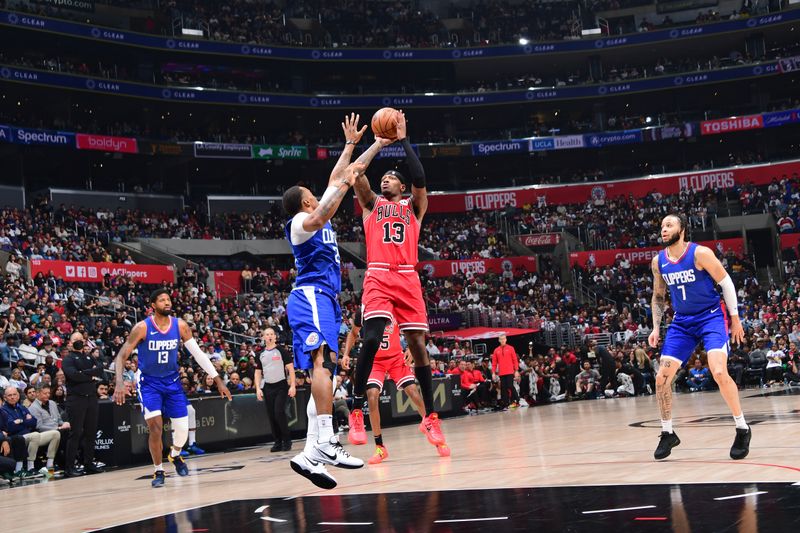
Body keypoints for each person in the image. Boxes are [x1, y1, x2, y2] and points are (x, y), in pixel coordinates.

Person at [349, 109, 447, 451]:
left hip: (407, 276)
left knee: (418, 347)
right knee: (372, 337)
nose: (385, 180)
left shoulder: (414, 207)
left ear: (401, 187)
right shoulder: (370, 204)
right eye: (384, 178)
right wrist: (376, 143)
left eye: (391, 178)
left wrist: (403, 140)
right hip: (377, 273)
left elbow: (420, 176)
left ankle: (430, 418)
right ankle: (355, 406)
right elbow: (356, 172)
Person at [283, 114, 367, 490]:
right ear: (304, 200)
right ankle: (327, 440)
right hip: (311, 296)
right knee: (322, 364)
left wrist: (357, 145)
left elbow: (336, 181)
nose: (318, 193)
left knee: (327, 372)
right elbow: (328, 202)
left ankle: (309, 453)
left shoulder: (321, 212)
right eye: (311, 193)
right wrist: (346, 185)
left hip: (327, 300)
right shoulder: (301, 222)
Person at [648, 214, 749, 461]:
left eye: (669, 225)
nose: (663, 229)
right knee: (661, 377)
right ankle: (667, 432)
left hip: (711, 316)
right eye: (661, 226)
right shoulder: (658, 261)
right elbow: (658, 297)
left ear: (682, 230)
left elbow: (726, 284)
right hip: (682, 322)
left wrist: (735, 320)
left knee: (718, 371)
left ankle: (742, 427)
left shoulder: (699, 254)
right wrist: (656, 327)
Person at [113, 288, 232, 487]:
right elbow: (122, 355)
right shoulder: (142, 327)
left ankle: (175, 455)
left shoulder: (181, 326)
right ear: (153, 305)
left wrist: (217, 379)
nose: (167, 302)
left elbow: (199, 355)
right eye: (162, 300)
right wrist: (118, 382)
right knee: (156, 427)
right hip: (149, 383)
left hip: (172, 382)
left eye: (168, 299)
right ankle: (158, 471)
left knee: (182, 431)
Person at [342, 310, 449, 464]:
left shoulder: (394, 308)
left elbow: (412, 330)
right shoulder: (364, 311)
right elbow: (353, 333)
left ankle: (437, 438)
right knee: (372, 395)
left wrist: (410, 349)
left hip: (396, 358)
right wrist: (346, 354)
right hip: (374, 361)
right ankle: (380, 447)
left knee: (413, 391)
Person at [62, 331, 105, 477]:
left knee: (91, 433)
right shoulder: (68, 359)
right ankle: (69, 467)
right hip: (76, 399)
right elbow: (74, 375)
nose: (79, 341)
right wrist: (90, 375)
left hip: (91, 398)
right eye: (75, 339)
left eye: (81, 339)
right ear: (70, 342)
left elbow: (100, 369)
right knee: (76, 433)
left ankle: (88, 463)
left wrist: (84, 373)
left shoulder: (89, 356)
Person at [254, 327, 296, 453]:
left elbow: (291, 369)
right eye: (267, 334)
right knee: (272, 415)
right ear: (263, 337)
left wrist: (293, 385)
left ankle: (287, 440)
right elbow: (257, 373)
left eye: (272, 334)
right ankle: (277, 442)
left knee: (279, 412)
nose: (270, 336)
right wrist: (258, 388)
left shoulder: (281, 351)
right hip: (268, 387)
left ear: (275, 337)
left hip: (281, 386)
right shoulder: (260, 354)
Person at [28, 385, 69, 476]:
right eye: (45, 393)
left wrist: (64, 423)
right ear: (38, 393)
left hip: (58, 429)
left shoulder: (53, 403)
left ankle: (73, 461)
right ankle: (63, 463)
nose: (47, 395)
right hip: (44, 433)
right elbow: (39, 426)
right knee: (63, 434)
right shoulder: (33, 408)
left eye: (49, 393)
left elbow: (59, 420)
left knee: (74, 431)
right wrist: (57, 428)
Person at [492, 335, 520, 409]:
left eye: (504, 339)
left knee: (510, 385)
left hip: (510, 371)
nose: (502, 340)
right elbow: (494, 363)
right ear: (499, 340)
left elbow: (515, 360)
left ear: (506, 339)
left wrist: (516, 370)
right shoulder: (496, 350)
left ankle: (516, 400)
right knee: (503, 388)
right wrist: (493, 372)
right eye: (501, 339)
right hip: (502, 372)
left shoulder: (511, 348)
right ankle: (506, 403)